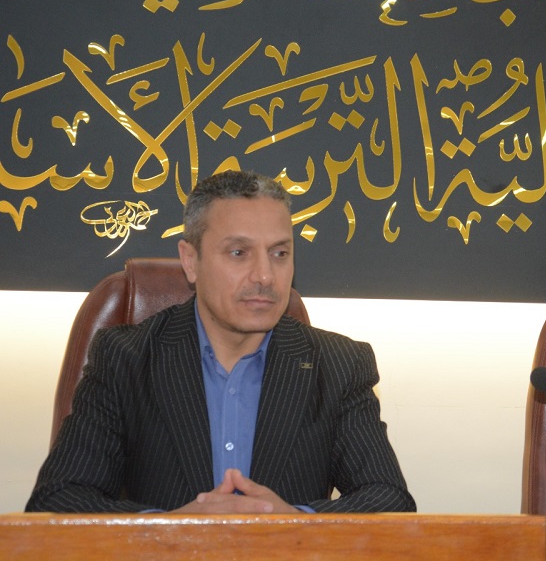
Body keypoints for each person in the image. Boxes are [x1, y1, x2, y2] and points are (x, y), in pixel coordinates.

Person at [26, 170, 415, 514]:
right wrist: (170, 528)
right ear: (190, 261)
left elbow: (388, 500)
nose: (265, 275)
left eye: (280, 253)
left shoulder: (339, 365)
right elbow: (59, 499)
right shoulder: (125, 359)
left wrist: (294, 521)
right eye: (238, 252)